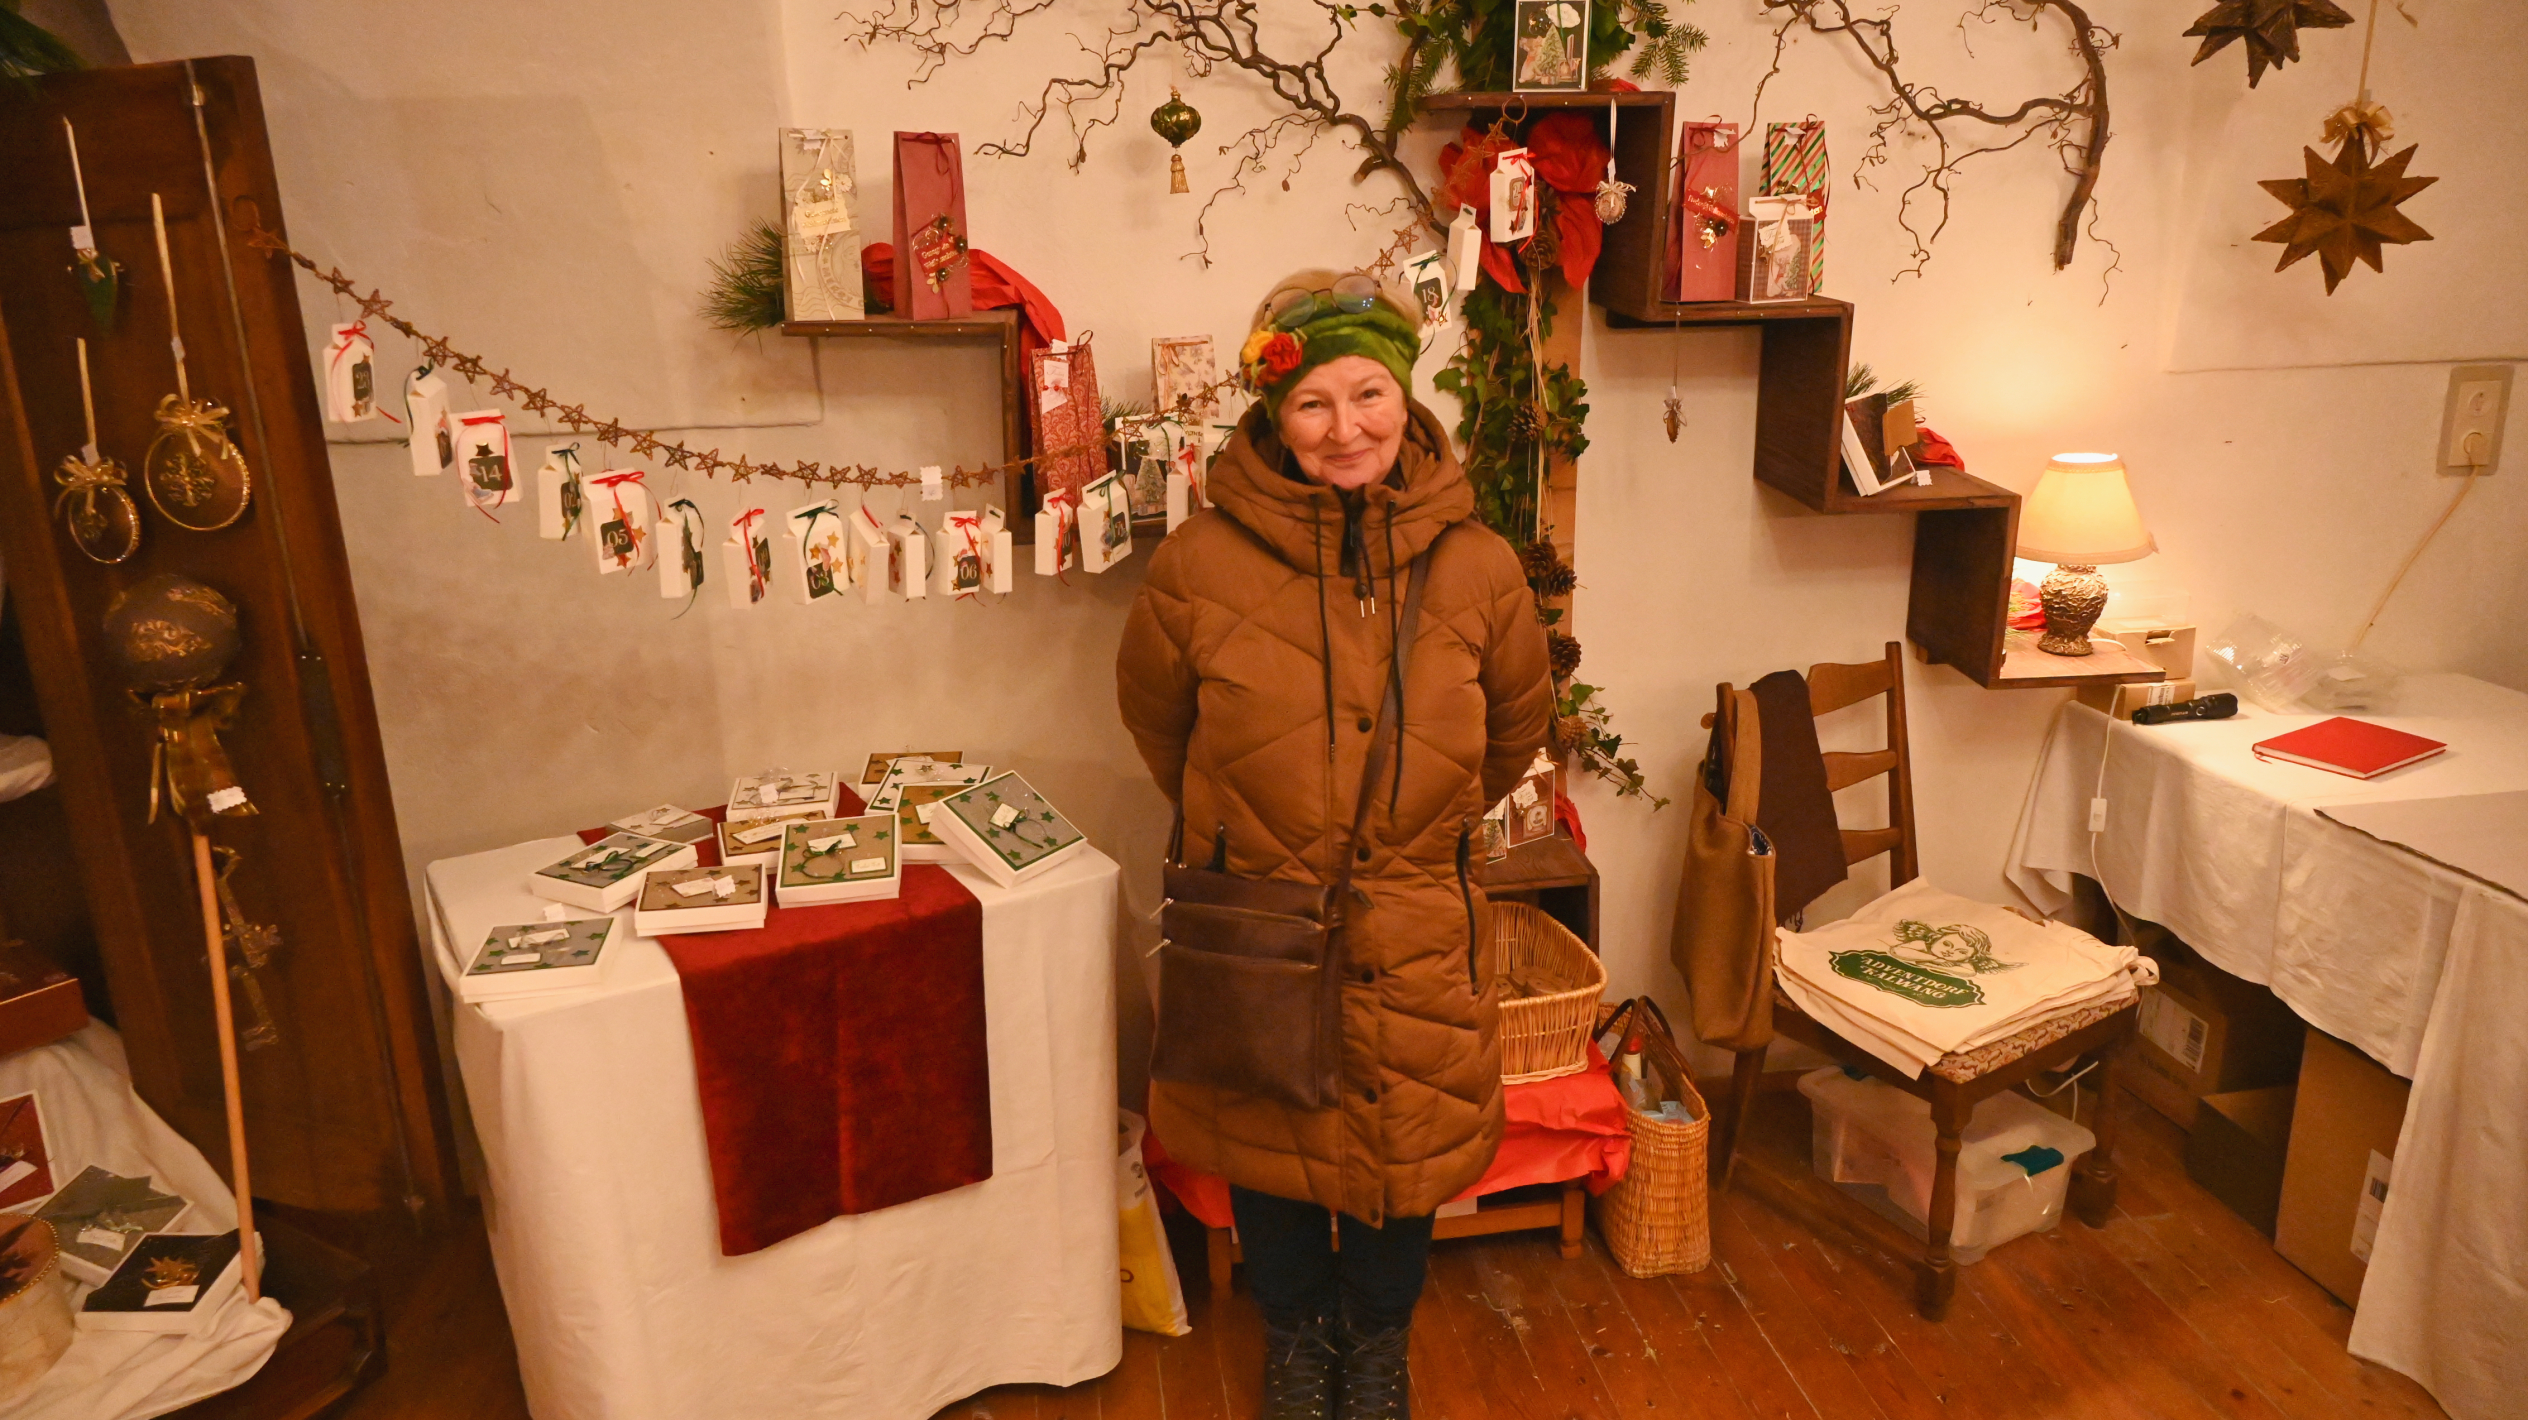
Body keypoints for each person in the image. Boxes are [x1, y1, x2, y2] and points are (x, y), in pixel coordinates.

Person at [1117, 269, 1553, 1419]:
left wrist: (1414, 836)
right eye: (1312, 401)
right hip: (1259, 919)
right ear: (1273, 412)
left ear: (1405, 399)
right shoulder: (1196, 566)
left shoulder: (1478, 567)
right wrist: (1252, 836)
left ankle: (1376, 1342)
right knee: (1270, 1143)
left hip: (1417, 915)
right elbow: (1160, 726)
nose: (1344, 426)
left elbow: (1515, 727)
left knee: (1405, 1147)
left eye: (1368, 394)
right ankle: (1298, 1339)